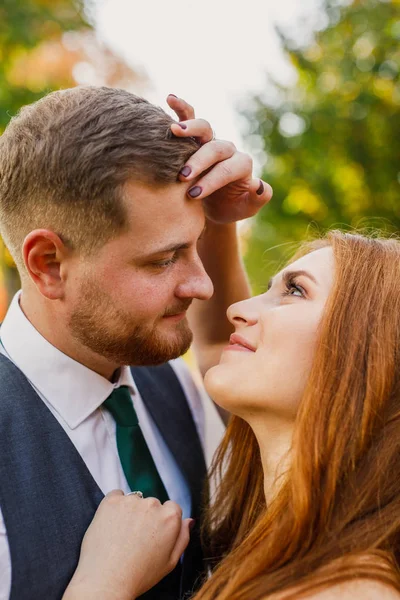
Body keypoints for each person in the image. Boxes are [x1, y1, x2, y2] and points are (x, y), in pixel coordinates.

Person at [0, 86, 272, 600]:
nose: (202, 285)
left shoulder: (173, 387)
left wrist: (219, 227)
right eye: (162, 260)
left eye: (194, 245)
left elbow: (217, 344)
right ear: (48, 265)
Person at [64, 230, 400, 599]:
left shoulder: (351, 590)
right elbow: (214, 342)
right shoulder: (283, 542)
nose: (237, 310)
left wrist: (100, 586)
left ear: (371, 354)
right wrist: (218, 221)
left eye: (296, 291)